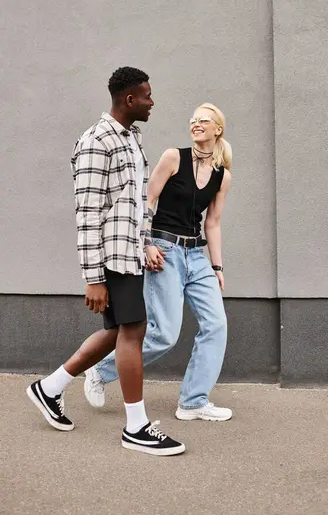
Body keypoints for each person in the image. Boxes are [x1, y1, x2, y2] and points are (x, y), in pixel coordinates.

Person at [26, 67, 185, 456]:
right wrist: (93, 278)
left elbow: (135, 205)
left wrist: (145, 243)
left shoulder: (131, 138)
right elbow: (88, 213)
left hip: (129, 254)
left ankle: (49, 388)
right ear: (129, 99)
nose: (152, 102)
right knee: (134, 331)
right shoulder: (97, 142)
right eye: (147, 95)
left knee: (119, 332)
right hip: (111, 257)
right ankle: (136, 427)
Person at [84, 103, 233, 422]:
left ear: (217, 129)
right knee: (164, 333)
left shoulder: (223, 175)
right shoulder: (173, 157)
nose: (196, 123)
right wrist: (146, 244)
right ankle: (100, 371)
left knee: (216, 325)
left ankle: (193, 401)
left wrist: (217, 268)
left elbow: (214, 223)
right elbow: (147, 201)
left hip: (197, 255)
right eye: (193, 119)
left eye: (203, 120)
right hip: (164, 250)